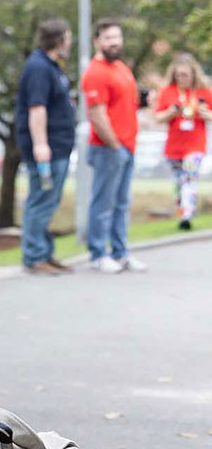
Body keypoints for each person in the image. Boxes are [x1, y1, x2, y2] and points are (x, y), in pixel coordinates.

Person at [81, 19, 145, 273]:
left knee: (121, 204)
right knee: (103, 203)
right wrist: (115, 145)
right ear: (97, 41)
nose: (114, 42)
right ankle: (98, 254)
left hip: (127, 146)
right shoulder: (95, 72)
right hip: (109, 148)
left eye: (117, 37)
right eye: (108, 37)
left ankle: (120, 253)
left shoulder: (121, 68)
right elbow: (97, 115)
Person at [15, 18, 76, 275]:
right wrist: (41, 144)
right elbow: (36, 108)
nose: (70, 44)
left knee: (48, 201)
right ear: (60, 40)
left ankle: (45, 253)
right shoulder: (39, 67)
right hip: (46, 149)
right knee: (41, 200)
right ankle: (34, 257)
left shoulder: (51, 67)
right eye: (69, 38)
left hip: (58, 146)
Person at [153, 53, 211, 230]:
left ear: (193, 74)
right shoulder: (168, 92)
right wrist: (172, 112)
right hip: (174, 148)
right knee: (180, 182)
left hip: (195, 146)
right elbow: (158, 117)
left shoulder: (203, 92)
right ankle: (182, 214)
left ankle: (188, 214)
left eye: (186, 75)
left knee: (189, 176)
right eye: (179, 75)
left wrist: (205, 113)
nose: (182, 78)